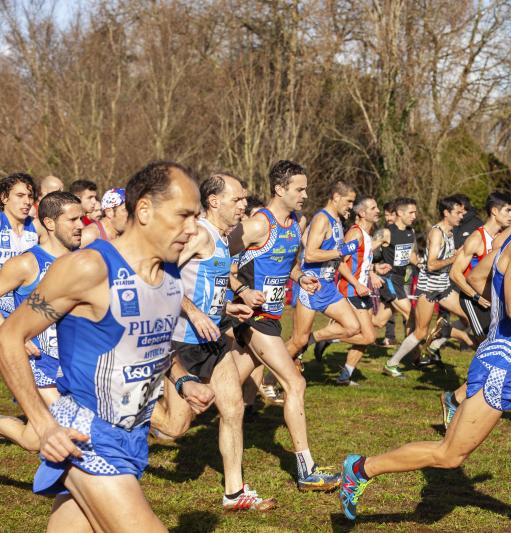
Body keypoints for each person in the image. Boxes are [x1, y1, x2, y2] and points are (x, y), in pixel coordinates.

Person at [338, 177, 511, 532]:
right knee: (449, 455)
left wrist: (497, 303)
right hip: (502, 366)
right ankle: (362, 468)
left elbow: (477, 276)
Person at [0, 161, 216, 532]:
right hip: (88, 438)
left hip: (133, 440)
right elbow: (9, 336)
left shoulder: (170, 275)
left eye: (195, 216)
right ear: (144, 210)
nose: (193, 228)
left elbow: (150, 345)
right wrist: (43, 425)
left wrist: (182, 381)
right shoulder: (89, 268)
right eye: (183, 215)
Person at [148, 172, 276, 511]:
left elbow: (207, 285)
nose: (243, 206)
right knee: (176, 427)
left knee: (232, 409)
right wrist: (192, 312)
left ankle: (234, 493)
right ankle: (123, 413)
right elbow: (158, 273)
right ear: (214, 201)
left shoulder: (222, 239)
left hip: (212, 340)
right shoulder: (199, 236)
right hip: (181, 342)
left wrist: (228, 305)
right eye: (237, 200)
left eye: (245, 200)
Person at [230, 160, 340, 492]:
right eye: (299, 189)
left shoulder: (293, 224)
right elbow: (217, 261)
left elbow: (283, 264)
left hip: (274, 318)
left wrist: (299, 276)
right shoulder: (256, 225)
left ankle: (164, 418)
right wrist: (241, 290)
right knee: (295, 383)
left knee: (216, 393)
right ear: (280, 189)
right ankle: (306, 469)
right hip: (253, 319)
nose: (306, 194)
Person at [0, 192, 83, 451]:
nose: (81, 225)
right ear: (49, 223)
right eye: (73, 219)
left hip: (69, 362)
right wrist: (10, 334)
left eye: (82, 218)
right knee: (71, 422)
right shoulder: (25, 264)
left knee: (31, 440)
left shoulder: (82, 262)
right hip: (37, 364)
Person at [440, 192, 511, 426]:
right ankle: (457, 399)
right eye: (508, 211)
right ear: (494, 211)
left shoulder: (506, 238)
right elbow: (455, 273)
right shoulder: (477, 238)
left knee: (495, 353)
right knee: (490, 351)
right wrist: (476, 296)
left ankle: (465, 397)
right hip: (474, 302)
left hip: (495, 302)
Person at [383, 196, 465, 377]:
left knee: (468, 316)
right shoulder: (436, 233)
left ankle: (434, 346)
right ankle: (391, 363)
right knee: (420, 331)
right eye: (458, 212)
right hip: (428, 288)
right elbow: (432, 265)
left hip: (443, 287)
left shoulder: (451, 233)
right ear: (446, 213)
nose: (462, 215)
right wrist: (455, 258)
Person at [312, 197, 390, 385]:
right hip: (351, 291)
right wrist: (356, 284)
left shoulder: (366, 235)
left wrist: (373, 273)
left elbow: (361, 262)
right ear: (362, 213)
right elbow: (340, 262)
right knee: (368, 336)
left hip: (362, 290)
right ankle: (318, 338)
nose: (378, 210)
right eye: (373, 208)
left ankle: (344, 376)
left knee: (364, 337)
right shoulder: (355, 233)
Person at [284, 181, 361, 363]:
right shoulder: (322, 219)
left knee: (352, 327)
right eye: (349, 201)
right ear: (336, 197)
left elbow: (332, 256)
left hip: (327, 286)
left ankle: (310, 341)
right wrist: (341, 251)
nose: (351, 206)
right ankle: (268, 380)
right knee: (297, 341)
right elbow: (310, 254)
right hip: (311, 286)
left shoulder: (337, 222)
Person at [374, 197, 418, 346]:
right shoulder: (386, 233)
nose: (414, 216)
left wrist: (424, 265)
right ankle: (415, 355)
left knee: (378, 322)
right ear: (400, 212)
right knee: (410, 314)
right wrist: (372, 270)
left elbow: (410, 256)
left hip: (400, 279)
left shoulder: (410, 232)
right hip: (389, 279)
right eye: (411, 213)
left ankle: (341, 327)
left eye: (415, 213)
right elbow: (366, 251)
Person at [0, 173, 39, 317]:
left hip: (27, 312)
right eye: (20, 195)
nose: (27, 201)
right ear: (4, 197)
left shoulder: (37, 226)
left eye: (30, 196)